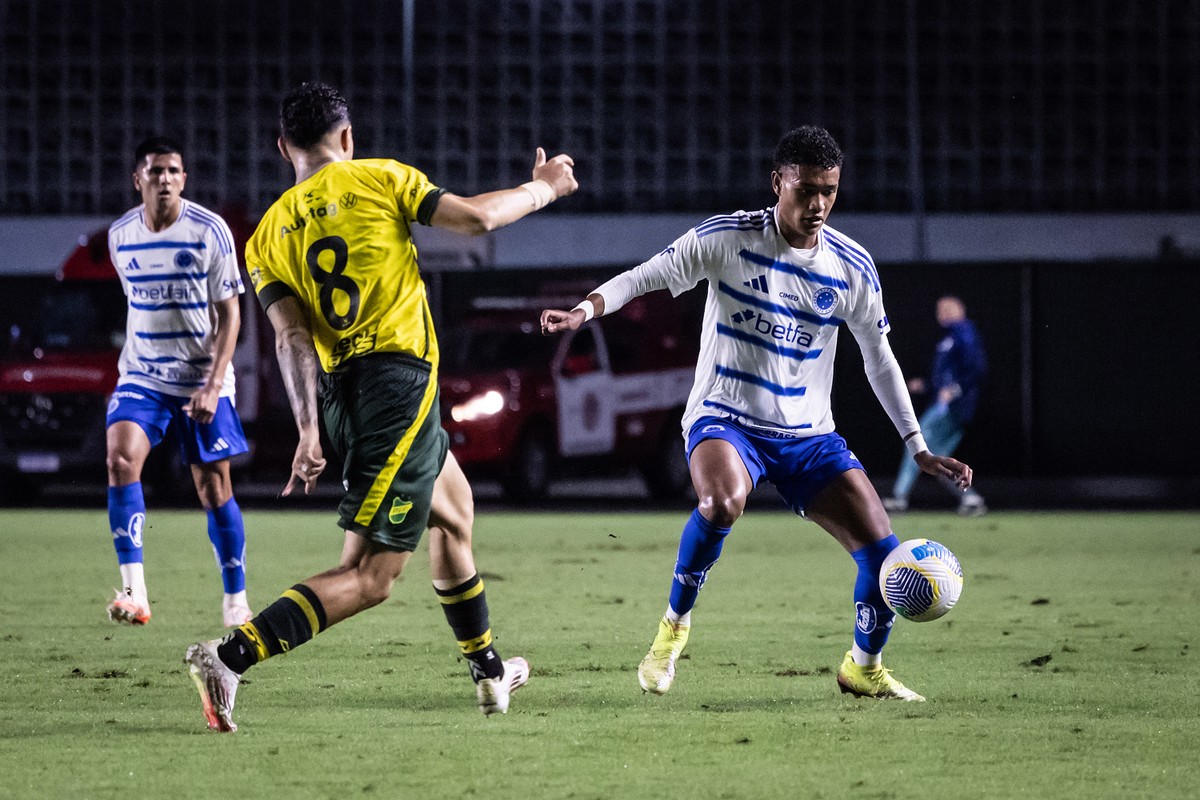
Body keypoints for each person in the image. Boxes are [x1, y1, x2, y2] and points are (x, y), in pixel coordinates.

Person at [184, 81, 578, 732]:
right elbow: (478, 218)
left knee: (455, 515)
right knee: (369, 577)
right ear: (347, 138)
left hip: (346, 399)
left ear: (284, 148)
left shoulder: (266, 236)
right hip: (394, 385)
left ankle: (488, 674)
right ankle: (231, 655)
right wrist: (547, 188)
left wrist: (309, 430)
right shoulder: (378, 179)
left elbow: (290, 339)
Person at [541, 125, 972, 702]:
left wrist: (916, 445)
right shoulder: (726, 239)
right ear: (778, 183)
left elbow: (880, 359)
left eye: (830, 191)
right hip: (726, 420)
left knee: (883, 554)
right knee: (722, 503)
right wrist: (585, 310)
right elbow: (646, 277)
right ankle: (673, 628)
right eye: (807, 190)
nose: (818, 204)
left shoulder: (852, 267)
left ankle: (862, 666)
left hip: (808, 437)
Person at [104, 135, 252, 629]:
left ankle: (235, 596)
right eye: (154, 170)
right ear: (138, 179)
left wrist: (212, 384)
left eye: (172, 171)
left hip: (199, 381)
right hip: (143, 376)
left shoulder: (210, 231)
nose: (163, 178)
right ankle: (135, 592)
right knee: (121, 458)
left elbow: (231, 316)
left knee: (212, 488)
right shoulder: (120, 234)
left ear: (183, 179)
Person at [884, 296, 987, 516]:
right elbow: (946, 377)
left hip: (951, 407)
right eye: (940, 309)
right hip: (950, 405)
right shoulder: (950, 337)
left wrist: (955, 389)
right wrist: (927, 385)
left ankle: (899, 497)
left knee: (915, 444)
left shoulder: (963, 332)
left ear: (961, 310)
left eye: (948, 309)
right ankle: (971, 498)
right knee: (936, 455)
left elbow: (976, 368)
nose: (943, 313)